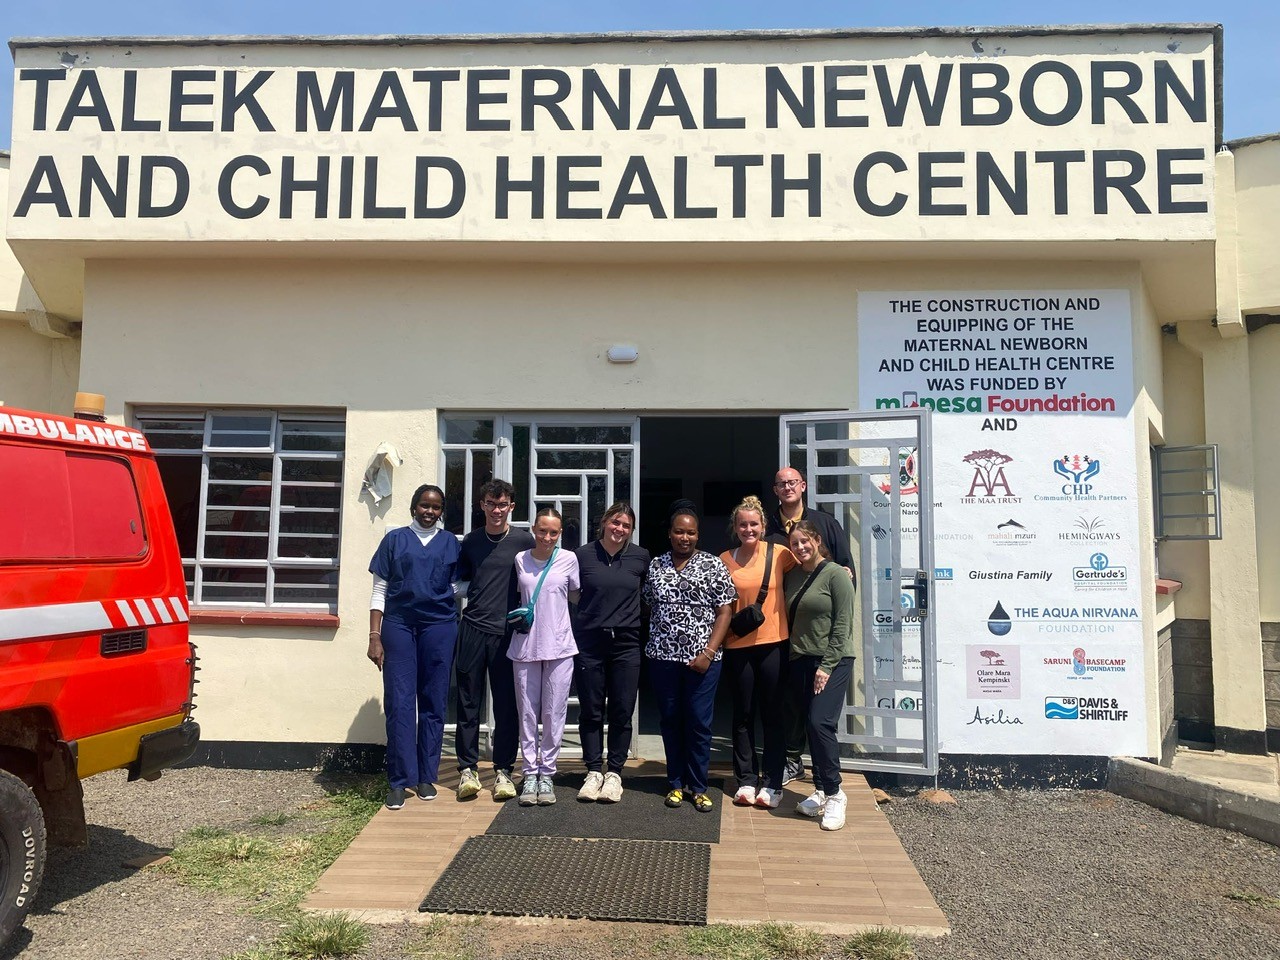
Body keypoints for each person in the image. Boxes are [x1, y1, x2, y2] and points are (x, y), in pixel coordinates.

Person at [367, 484, 461, 809]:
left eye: (436, 507)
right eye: (424, 505)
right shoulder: (395, 540)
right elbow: (379, 589)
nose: (429, 511)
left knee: (434, 700)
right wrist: (374, 635)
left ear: (441, 511)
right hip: (399, 625)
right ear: (413, 507)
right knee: (400, 701)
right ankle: (399, 780)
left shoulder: (450, 543)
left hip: (439, 627)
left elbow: (457, 585)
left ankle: (425, 776)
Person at [643, 500, 736, 813]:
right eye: (679, 532)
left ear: (698, 535)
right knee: (670, 720)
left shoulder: (712, 564)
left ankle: (698, 786)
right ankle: (674, 782)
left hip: (703, 660)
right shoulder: (656, 565)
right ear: (670, 533)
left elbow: (725, 612)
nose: (685, 537)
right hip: (663, 658)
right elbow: (648, 605)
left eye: (691, 532)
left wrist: (708, 652)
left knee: (698, 722)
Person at [765, 466, 855, 788]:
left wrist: (832, 643)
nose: (787, 487)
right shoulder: (767, 529)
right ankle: (794, 762)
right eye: (781, 484)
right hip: (787, 638)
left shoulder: (826, 524)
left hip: (825, 643)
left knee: (819, 719)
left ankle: (828, 784)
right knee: (790, 706)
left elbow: (846, 574)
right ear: (775, 490)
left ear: (803, 485)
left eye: (793, 482)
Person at [454, 480, 535, 802]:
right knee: (468, 703)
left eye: (502, 504)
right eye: (490, 503)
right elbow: (461, 582)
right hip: (473, 629)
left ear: (511, 506)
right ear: (482, 505)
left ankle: (504, 770)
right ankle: (467, 770)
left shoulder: (524, 541)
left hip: (506, 634)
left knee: (506, 706)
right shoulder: (472, 541)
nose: (496, 510)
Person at [721, 494, 798, 809]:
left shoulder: (780, 553)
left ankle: (773, 783)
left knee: (772, 714)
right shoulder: (724, 559)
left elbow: (810, 565)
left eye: (754, 524)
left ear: (763, 526)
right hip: (737, 646)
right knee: (742, 714)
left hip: (773, 644)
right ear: (735, 527)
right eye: (743, 525)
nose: (748, 529)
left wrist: (841, 570)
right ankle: (746, 780)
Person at [573, 502, 650, 803]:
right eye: (615, 522)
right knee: (591, 709)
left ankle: (615, 772)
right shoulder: (583, 555)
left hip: (626, 643)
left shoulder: (640, 557)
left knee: (622, 709)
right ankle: (593, 770)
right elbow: (571, 591)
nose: (620, 529)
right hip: (590, 641)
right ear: (604, 523)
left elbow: (648, 595)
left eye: (626, 525)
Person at [785, 520, 857, 831]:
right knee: (810, 726)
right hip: (801, 658)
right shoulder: (792, 575)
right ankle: (821, 790)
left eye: (805, 541)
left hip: (833, 660)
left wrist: (826, 667)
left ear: (816, 540)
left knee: (820, 722)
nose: (800, 547)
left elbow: (843, 624)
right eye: (795, 543)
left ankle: (836, 793)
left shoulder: (836, 574)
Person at [509, 507, 581, 806]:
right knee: (527, 713)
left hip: (560, 645)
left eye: (553, 532)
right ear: (534, 529)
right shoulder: (520, 559)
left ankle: (547, 772)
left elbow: (575, 595)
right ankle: (529, 773)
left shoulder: (569, 559)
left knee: (554, 713)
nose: (547, 537)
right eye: (542, 530)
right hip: (525, 646)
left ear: (560, 533)